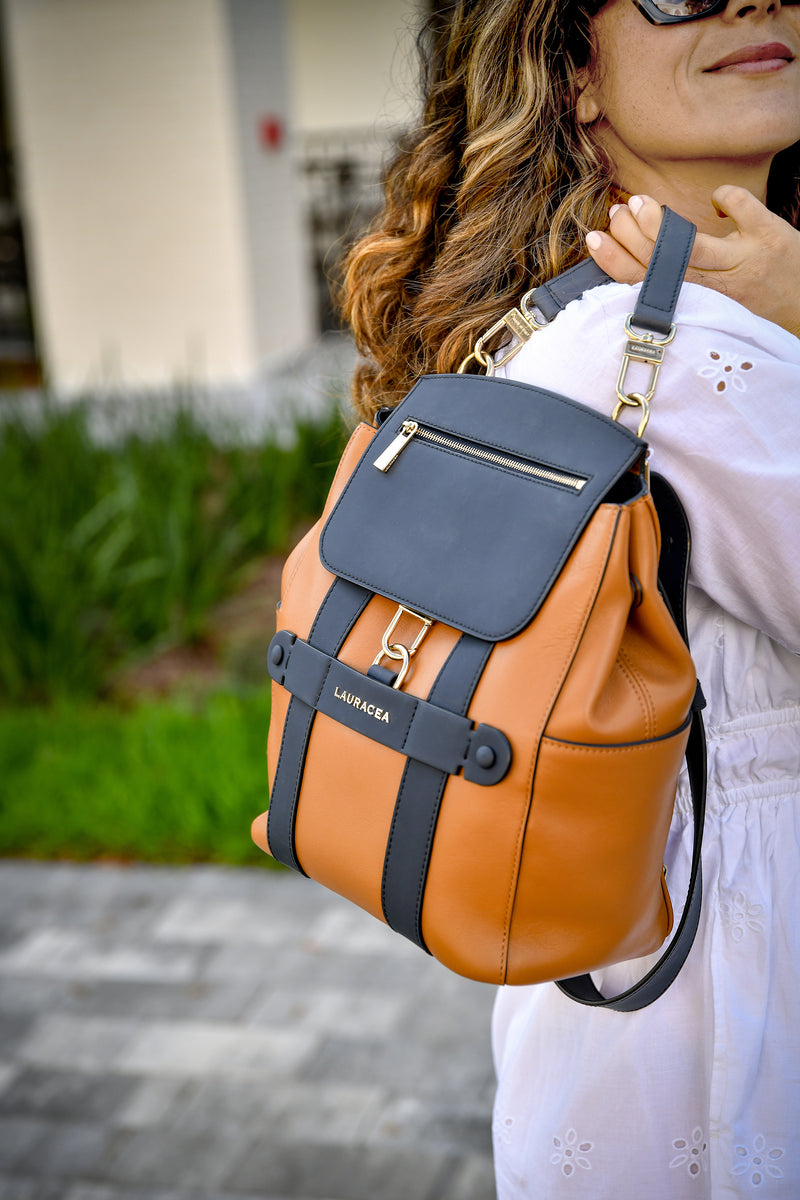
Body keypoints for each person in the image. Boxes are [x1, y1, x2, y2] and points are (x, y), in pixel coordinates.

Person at [340, 0, 800, 1195]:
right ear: (574, 73)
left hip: (615, 976)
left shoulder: (557, 319)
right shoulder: (692, 352)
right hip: (733, 969)